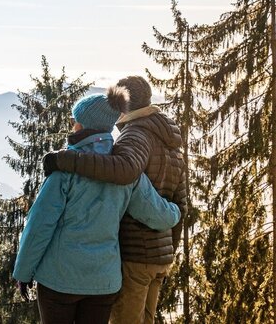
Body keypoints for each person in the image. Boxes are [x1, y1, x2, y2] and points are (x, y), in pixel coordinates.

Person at [12, 89, 182, 324]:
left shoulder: (65, 171)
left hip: (59, 280)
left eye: (75, 121)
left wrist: (23, 273)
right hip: (104, 283)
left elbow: (39, 226)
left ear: (82, 126)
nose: (72, 126)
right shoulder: (127, 173)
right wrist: (176, 211)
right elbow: (157, 215)